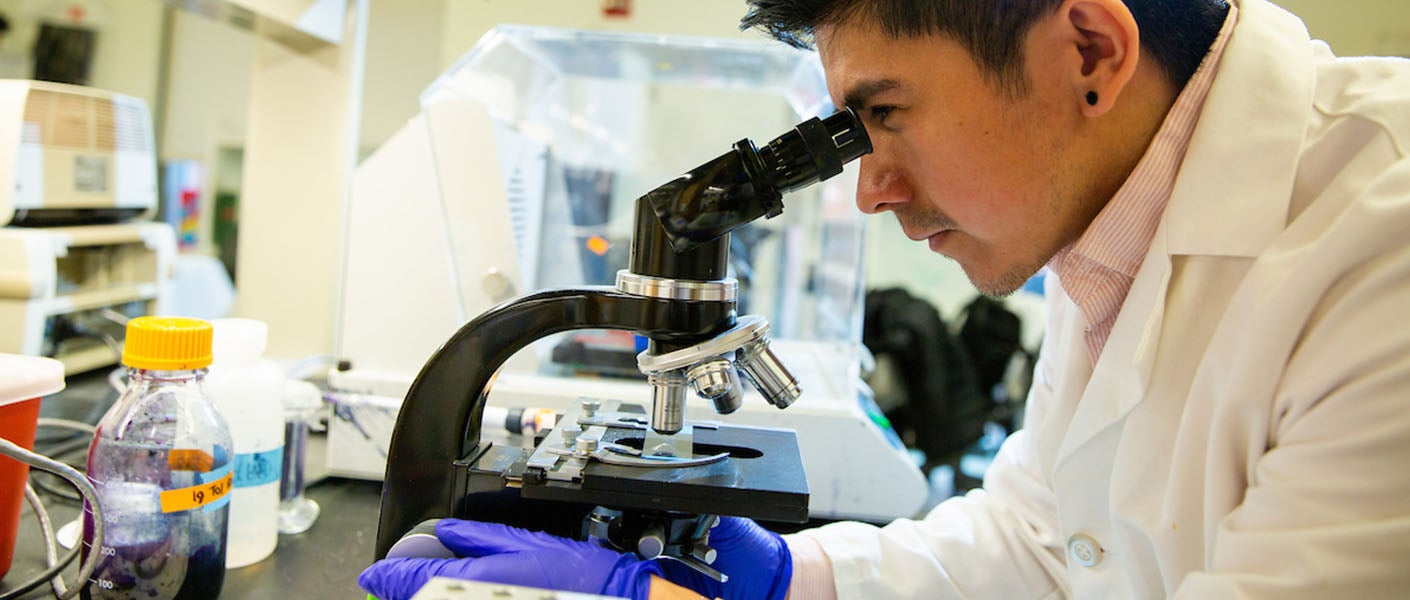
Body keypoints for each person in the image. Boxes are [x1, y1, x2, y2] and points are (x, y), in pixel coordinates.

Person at [359, 0, 1410, 597]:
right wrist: (787, 584)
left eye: (885, 112)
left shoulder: (1381, 240)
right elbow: (1038, 545)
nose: (866, 188)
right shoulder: (1110, 229)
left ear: (1089, 49)